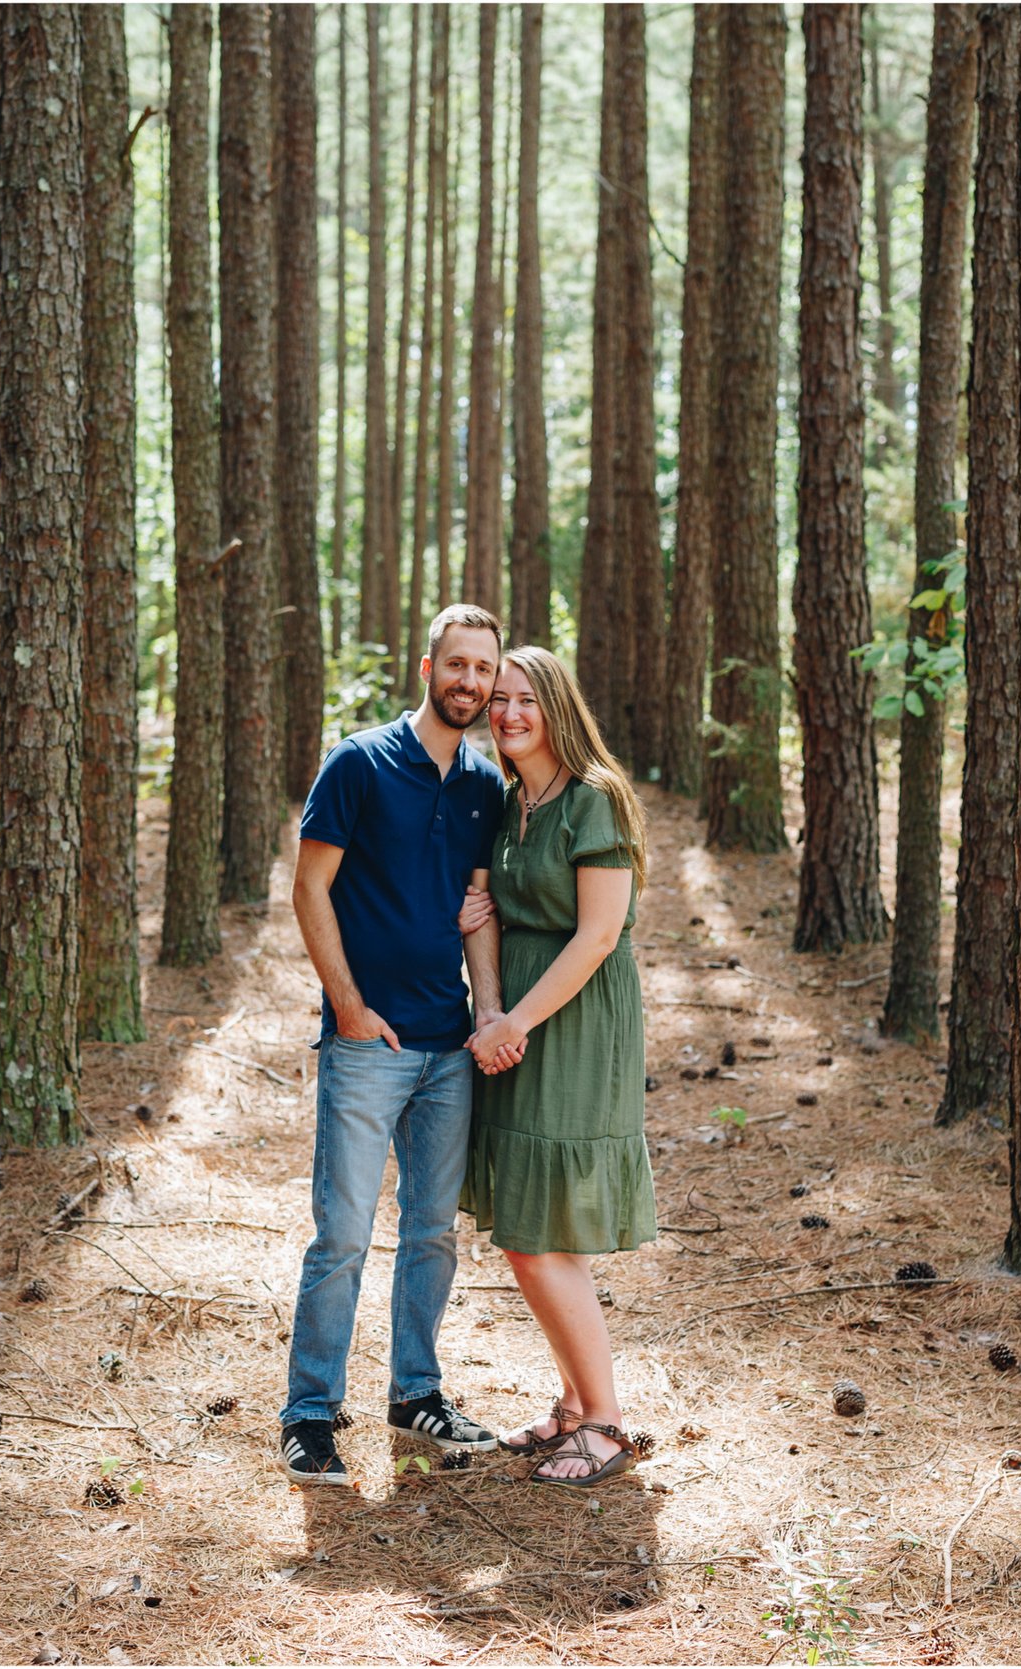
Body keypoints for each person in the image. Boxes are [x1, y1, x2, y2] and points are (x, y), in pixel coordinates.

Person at [277, 605, 512, 1486]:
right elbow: (310, 887)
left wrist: (486, 1011)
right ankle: (308, 1413)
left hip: (448, 1047)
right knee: (341, 1232)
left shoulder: (485, 785)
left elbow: (477, 909)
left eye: (482, 670)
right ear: (428, 667)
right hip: (369, 1042)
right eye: (456, 664)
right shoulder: (359, 762)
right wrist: (347, 1006)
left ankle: (416, 1392)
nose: (469, 682)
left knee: (431, 1232)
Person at [461, 645, 657, 1487]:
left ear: (558, 708)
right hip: (518, 1019)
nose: (507, 713)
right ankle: (575, 1404)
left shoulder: (594, 800)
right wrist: (490, 1009)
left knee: (545, 1238)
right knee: (525, 1234)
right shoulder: (508, 803)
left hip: (575, 1020)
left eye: (525, 700)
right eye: (497, 700)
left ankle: (608, 1421)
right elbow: (486, 913)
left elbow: (599, 934)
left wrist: (516, 1020)